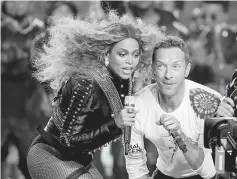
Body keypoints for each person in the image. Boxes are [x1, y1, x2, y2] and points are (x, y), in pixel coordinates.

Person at [27, 11, 162, 179]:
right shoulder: (86, 83)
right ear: (106, 54)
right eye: (122, 54)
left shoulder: (125, 81)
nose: (130, 61)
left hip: (78, 159)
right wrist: (116, 124)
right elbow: (67, 141)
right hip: (50, 155)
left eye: (135, 55)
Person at [125, 36, 222, 179]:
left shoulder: (209, 102)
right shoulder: (137, 104)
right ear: (153, 70)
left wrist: (180, 136)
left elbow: (208, 171)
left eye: (176, 66)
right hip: (164, 174)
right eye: (161, 66)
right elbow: (135, 164)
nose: (168, 75)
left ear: (187, 70)